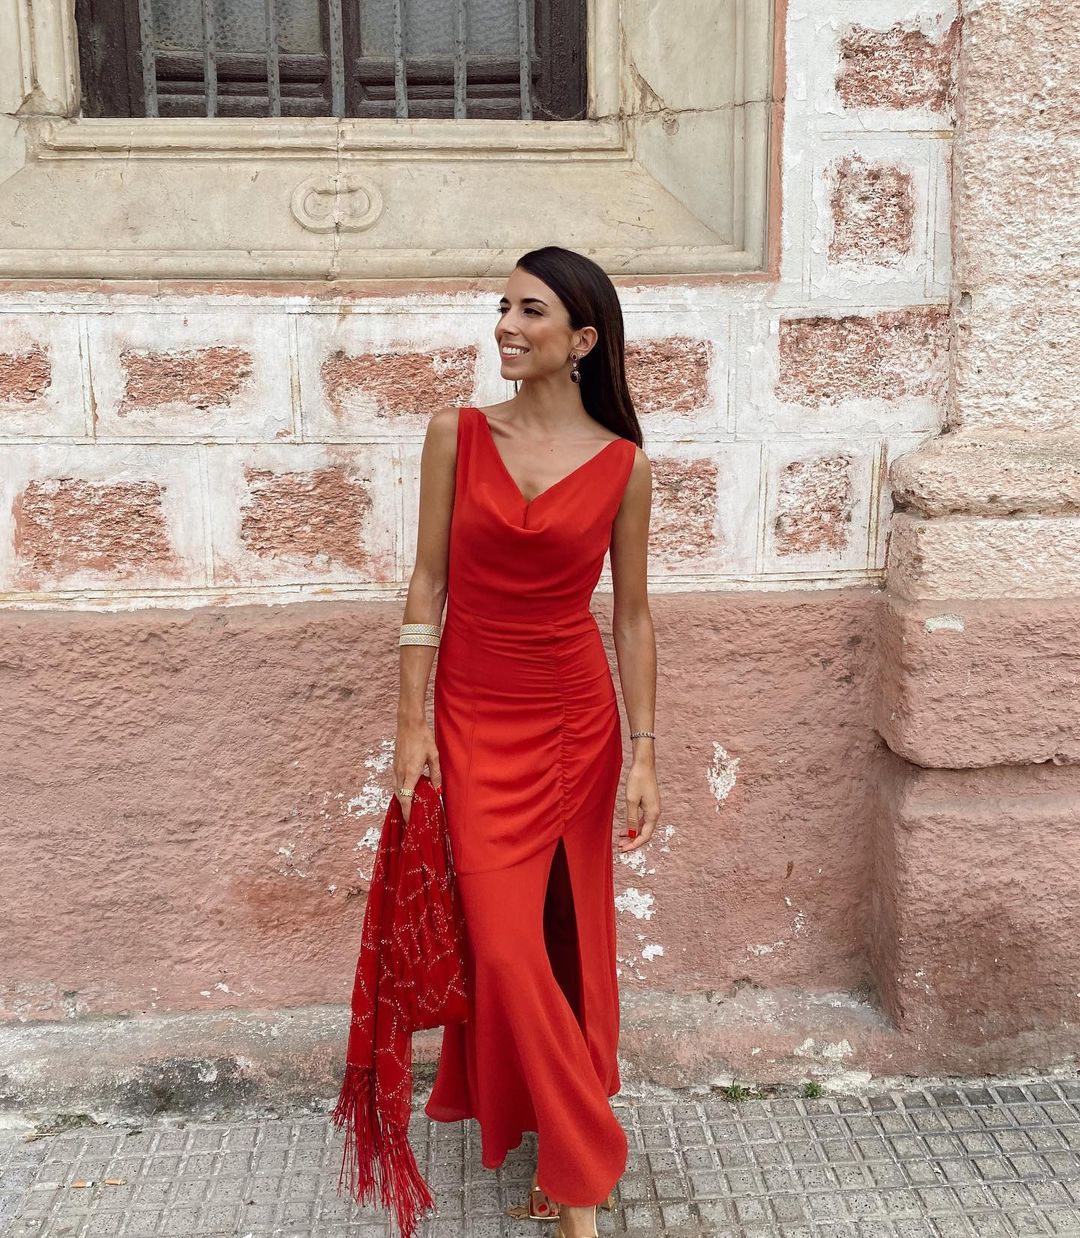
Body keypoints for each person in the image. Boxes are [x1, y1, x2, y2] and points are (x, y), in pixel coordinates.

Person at [392, 245, 662, 1238]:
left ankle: (569, 1165)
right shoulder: (453, 435)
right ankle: (582, 1137)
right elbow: (427, 585)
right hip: (471, 713)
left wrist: (645, 749)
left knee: (563, 932)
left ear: (582, 340)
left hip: (574, 723)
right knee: (502, 946)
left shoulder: (622, 465)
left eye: (531, 311)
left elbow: (632, 616)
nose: (506, 325)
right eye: (502, 307)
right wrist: (409, 721)